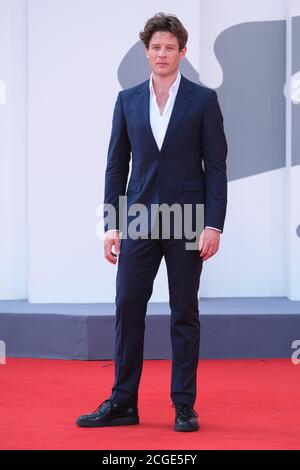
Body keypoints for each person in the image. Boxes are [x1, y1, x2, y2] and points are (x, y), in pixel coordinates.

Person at [76, 12, 227, 432]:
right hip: (139, 219)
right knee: (127, 307)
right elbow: (115, 166)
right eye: (155, 47)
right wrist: (111, 224)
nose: (162, 54)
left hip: (188, 220)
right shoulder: (127, 101)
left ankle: (184, 405)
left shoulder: (202, 100)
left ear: (182, 52)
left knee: (184, 312)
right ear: (147, 52)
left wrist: (213, 224)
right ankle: (123, 402)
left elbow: (215, 166)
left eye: (170, 47)